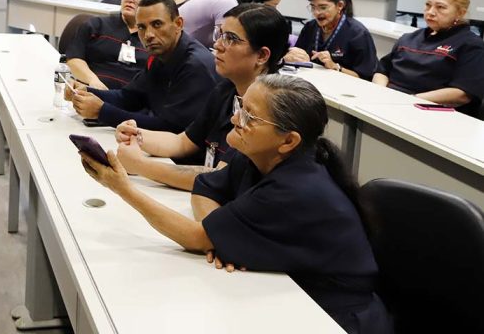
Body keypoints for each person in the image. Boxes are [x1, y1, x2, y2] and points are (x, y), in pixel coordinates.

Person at [80, 74, 393, 334]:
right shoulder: (256, 156)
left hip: (334, 319)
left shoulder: (295, 189)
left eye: (249, 117)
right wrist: (216, 236)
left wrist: (123, 188)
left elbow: (193, 237)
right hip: (286, 296)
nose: (234, 119)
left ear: (288, 141)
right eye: (241, 107)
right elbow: (204, 190)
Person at [113, 4, 290, 190]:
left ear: (262, 55)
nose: (217, 45)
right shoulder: (226, 90)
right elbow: (183, 142)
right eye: (220, 35)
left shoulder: (268, 110)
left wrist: (141, 166)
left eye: (230, 39)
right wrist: (136, 136)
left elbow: (221, 177)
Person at [69, 0, 217, 132]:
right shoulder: (160, 54)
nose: (148, 35)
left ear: (178, 24)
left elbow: (171, 129)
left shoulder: (195, 66)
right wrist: (87, 92)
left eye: (157, 24)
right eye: (142, 27)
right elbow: (130, 98)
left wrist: (102, 112)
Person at [373, 0, 484, 115]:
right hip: (390, 104)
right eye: (428, 5)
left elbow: (462, 93)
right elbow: (382, 71)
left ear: (460, 13)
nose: (430, 12)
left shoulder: (471, 45)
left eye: (440, 7)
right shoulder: (408, 38)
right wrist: (380, 93)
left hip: (430, 112)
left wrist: (408, 101)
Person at [64, 0, 153, 90]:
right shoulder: (96, 26)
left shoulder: (151, 39)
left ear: (149, 4)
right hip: (90, 92)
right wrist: (93, 81)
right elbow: (73, 59)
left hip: (129, 101)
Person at [285, 0, 377, 80]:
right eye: (313, 7)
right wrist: (290, 56)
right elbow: (297, 56)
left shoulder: (358, 34)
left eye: (323, 7)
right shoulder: (310, 27)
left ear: (340, 6)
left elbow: (365, 78)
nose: (316, 13)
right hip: (309, 81)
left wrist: (336, 66)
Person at [179, 0, 284, 47]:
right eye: (271, 6)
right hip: (178, 52)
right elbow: (227, 45)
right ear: (254, 0)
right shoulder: (228, 3)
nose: (273, 11)